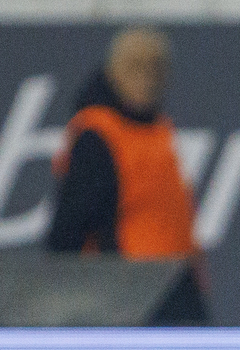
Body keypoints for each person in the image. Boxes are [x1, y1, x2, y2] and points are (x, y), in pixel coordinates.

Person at [45, 26, 209, 325]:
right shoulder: (97, 134)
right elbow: (68, 231)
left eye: (155, 68)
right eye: (135, 67)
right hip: (127, 299)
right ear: (113, 71)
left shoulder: (159, 129)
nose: (146, 79)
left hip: (174, 294)